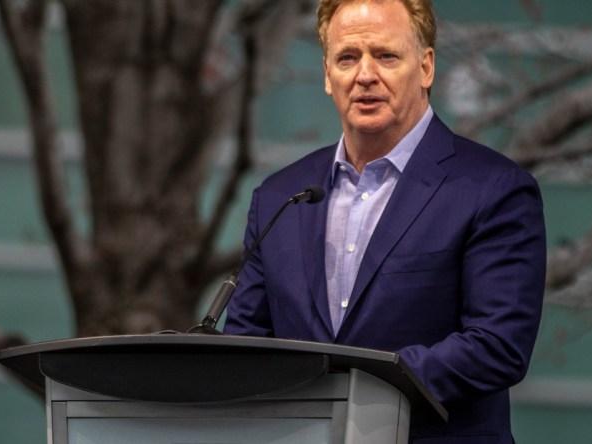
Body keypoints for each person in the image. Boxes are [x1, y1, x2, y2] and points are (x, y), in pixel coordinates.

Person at [223, 0, 547, 442]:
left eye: (386, 56)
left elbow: (497, 346)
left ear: (426, 67)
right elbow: (245, 344)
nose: (365, 75)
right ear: (327, 75)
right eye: (347, 58)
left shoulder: (494, 189)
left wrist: (357, 381)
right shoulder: (280, 196)